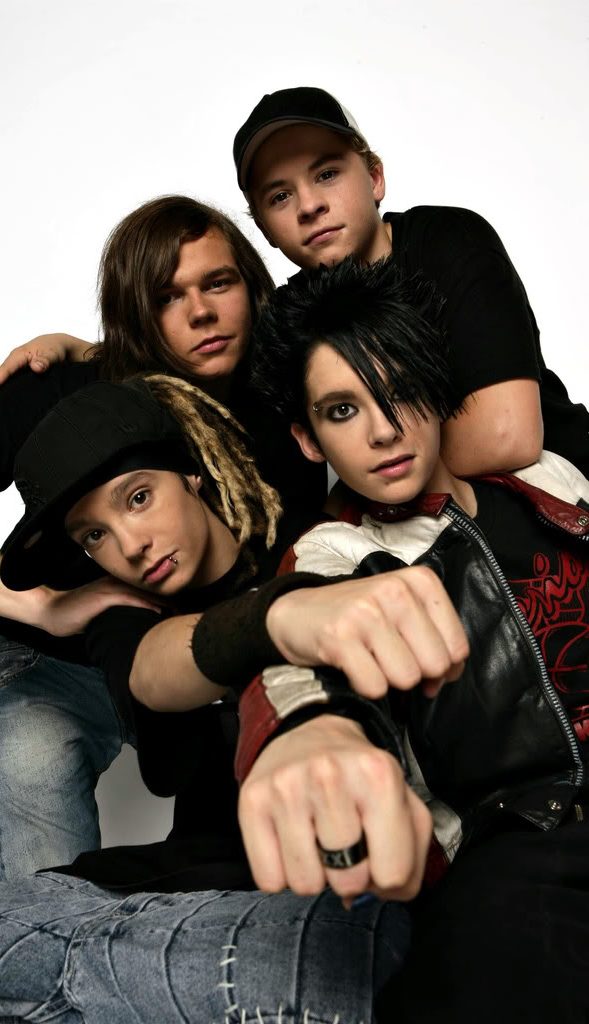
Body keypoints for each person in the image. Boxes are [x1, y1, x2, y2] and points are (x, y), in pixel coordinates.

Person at [0, 372, 449, 1023]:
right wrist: (265, 623)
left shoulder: (312, 544)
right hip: (151, 894)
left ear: (191, 473)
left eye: (138, 498)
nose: (130, 545)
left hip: (305, 905)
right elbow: (151, 675)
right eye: (93, 535)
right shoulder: (118, 612)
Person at [0, 195, 324, 880]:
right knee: (44, 902)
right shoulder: (63, 394)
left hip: (192, 657)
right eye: (167, 298)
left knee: (248, 874)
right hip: (53, 666)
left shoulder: (286, 399)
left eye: (217, 283)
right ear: (136, 312)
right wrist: (43, 605)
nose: (200, 313)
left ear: (251, 285)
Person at [233, 256, 589, 1022]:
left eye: (399, 392)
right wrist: (311, 738)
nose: (384, 430)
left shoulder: (550, 481)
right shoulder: (333, 557)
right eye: (342, 410)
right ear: (307, 438)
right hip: (518, 848)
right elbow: (297, 673)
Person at [0, 87, 589, 476]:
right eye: (280, 195)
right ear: (265, 229)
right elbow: (202, 364)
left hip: (563, 489)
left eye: (327, 174)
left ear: (375, 177)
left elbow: (505, 438)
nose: (309, 205)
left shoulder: (446, 238)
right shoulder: (291, 315)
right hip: (444, 542)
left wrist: (365, 476)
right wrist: (84, 350)